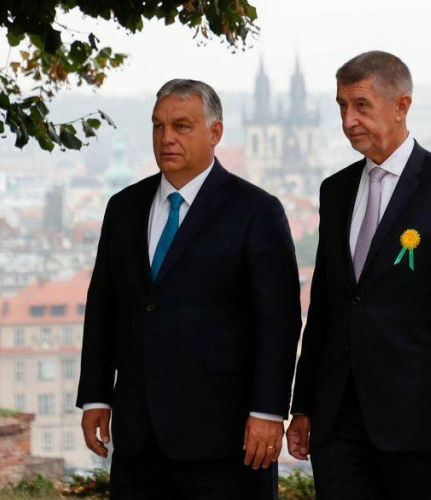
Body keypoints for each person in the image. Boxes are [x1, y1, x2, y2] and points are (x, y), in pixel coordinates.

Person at [286, 51, 431, 500]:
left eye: (361, 105)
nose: (348, 120)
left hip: (421, 425)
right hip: (339, 424)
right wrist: (302, 406)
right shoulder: (336, 190)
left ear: (401, 106)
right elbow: (325, 306)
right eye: (342, 106)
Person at [77, 79, 302, 500]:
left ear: (215, 133)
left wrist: (269, 410)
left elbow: (279, 322)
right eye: (158, 126)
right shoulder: (124, 207)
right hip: (139, 438)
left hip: (227, 438)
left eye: (182, 126)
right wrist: (94, 397)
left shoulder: (256, 210)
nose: (167, 138)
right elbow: (104, 307)